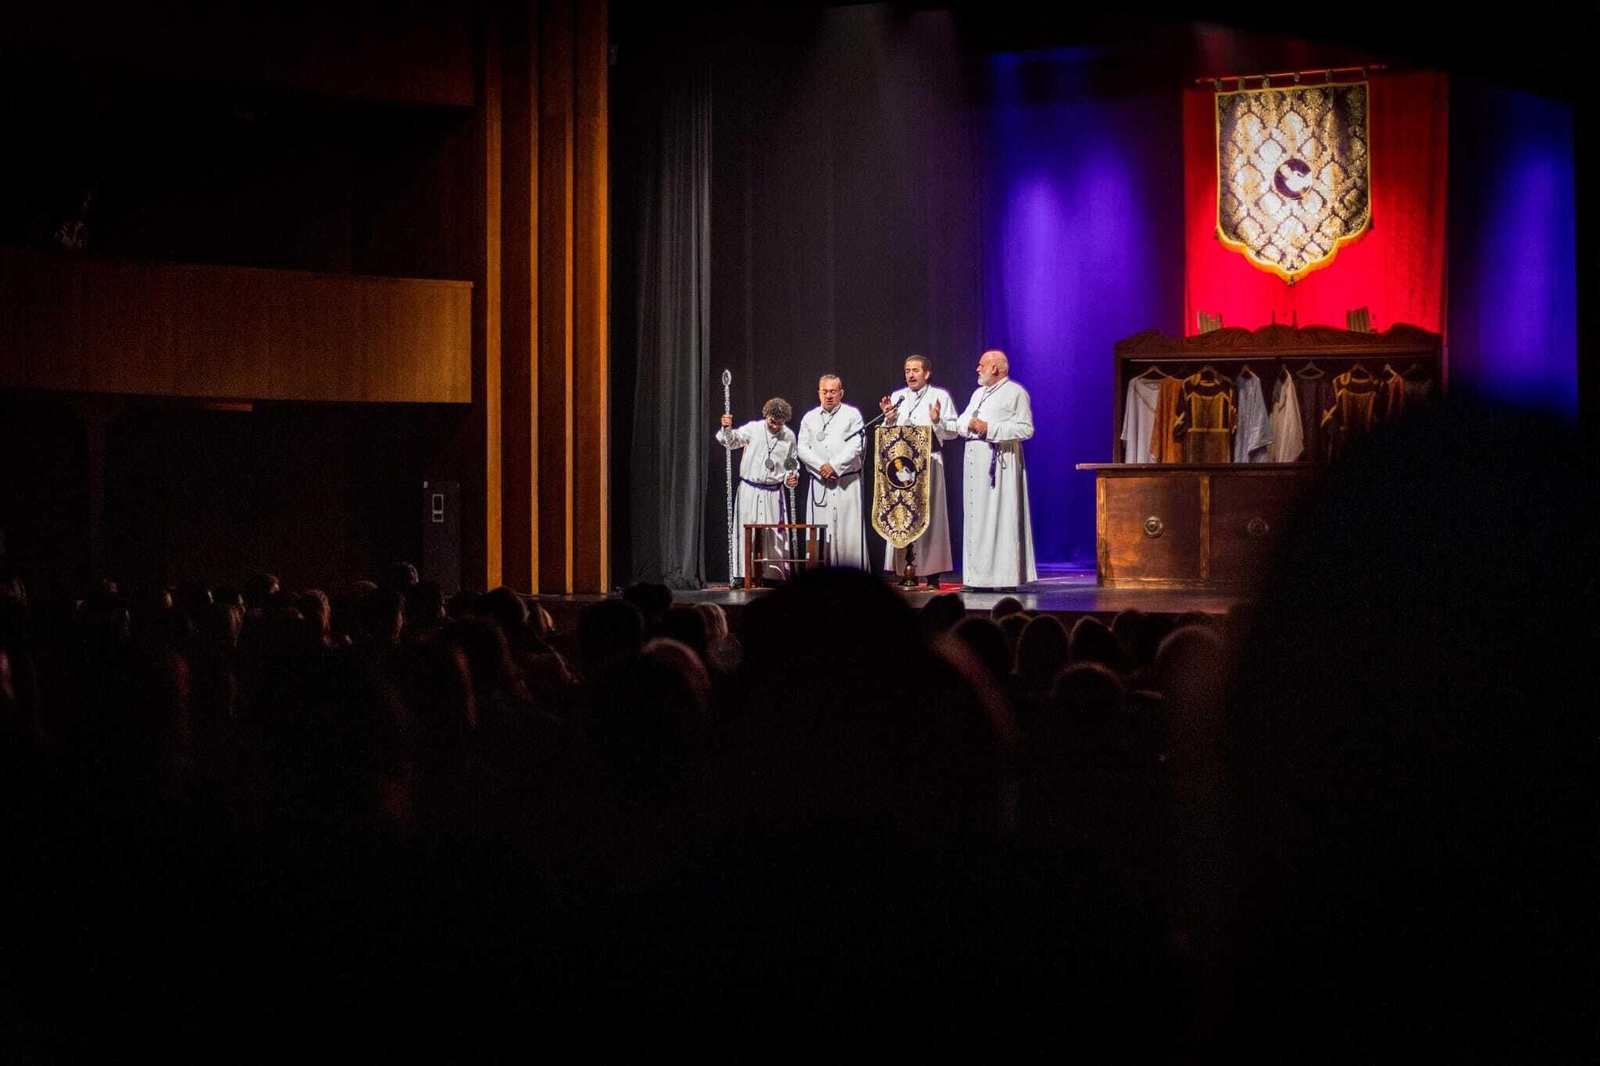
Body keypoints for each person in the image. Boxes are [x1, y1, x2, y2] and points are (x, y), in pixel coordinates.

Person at [955, 350, 1036, 590]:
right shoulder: (978, 393)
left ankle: (1004, 577)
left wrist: (989, 428)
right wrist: (968, 425)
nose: (977, 369)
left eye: (981, 365)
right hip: (975, 463)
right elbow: (961, 421)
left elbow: (1026, 429)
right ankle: (976, 578)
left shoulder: (1016, 393)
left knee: (1000, 518)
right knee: (976, 519)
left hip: (1000, 464)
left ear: (994, 368)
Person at [878, 354, 959, 588]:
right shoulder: (898, 397)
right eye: (907, 370)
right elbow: (888, 433)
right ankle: (906, 572)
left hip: (929, 463)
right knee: (903, 516)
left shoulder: (939, 396)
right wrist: (889, 420)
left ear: (927, 373)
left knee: (930, 517)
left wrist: (937, 421)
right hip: (902, 467)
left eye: (915, 370)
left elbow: (953, 431)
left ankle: (933, 574)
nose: (910, 375)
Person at [718, 398, 800, 583]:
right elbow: (731, 441)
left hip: (773, 492)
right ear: (766, 416)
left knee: (774, 535)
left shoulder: (789, 436)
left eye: (779, 423)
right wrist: (727, 428)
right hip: (750, 490)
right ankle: (742, 574)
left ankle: (773, 575)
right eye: (772, 421)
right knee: (745, 531)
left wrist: (791, 477)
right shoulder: (754, 429)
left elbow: (792, 463)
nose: (775, 426)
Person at [796, 375, 867, 569]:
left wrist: (835, 466)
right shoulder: (809, 418)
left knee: (849, 532)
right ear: (819, 393)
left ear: (841, 393)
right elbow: (802, 448)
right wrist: (822, 467)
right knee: (820, 534)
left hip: (846, 482)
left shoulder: (852, 414)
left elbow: (857, 444)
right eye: (825, 391)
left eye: (833, 391)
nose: (828, 396)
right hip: (820, 482)